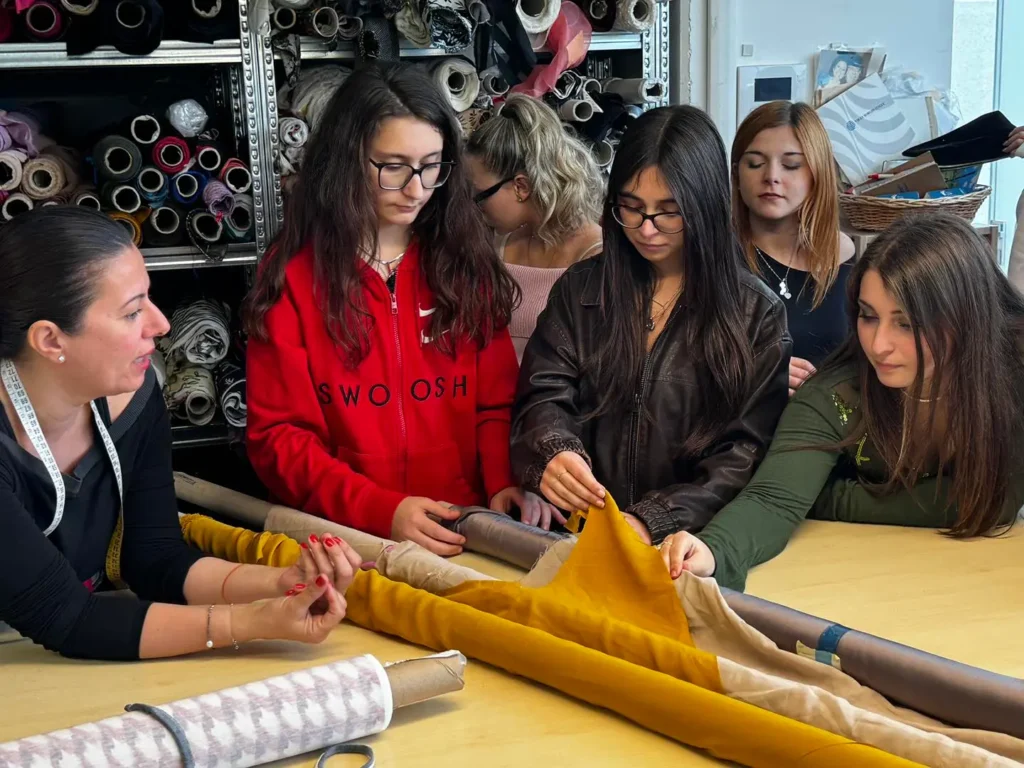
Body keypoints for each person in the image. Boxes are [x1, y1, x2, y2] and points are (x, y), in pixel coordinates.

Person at [0, 208, 363, 661]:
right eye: (133, 312)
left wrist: (279, 585)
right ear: (51, 340)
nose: (161, 325)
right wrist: (251, 623)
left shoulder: (133, 399)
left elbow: (155, 559)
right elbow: (68, 618)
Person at [245, 63, 560, 547]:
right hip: (347, 540)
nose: (416, 189)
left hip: (462, 529)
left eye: (431, 165)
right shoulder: (292, 275)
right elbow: (280, 439)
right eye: (393, 167)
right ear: (348, 158)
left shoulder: (463, 262)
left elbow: (495, 403)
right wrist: (380, 510)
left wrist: (502, 482)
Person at [660, 214, 1024, 590]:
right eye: (868, 316)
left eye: (906, 323)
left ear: (965, 316)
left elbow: (992, 502)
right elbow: (773, 500)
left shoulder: (1015, 370)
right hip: (875, 580)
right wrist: (713, 551)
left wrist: (830, 499)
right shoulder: (837, 392)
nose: (878, 345)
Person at [510, 105, 792, 547]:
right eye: (631, 208)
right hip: (578, 536)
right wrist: (554, 450)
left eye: (669, 211)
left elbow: (744, 452)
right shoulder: (582, 289)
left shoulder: (754, 312)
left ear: (707, 206)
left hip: (685, 547)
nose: (646, 229)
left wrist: (653, 519)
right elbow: (542, 394)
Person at [466, 94, 604, 364]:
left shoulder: (597, 258)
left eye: (480, 195)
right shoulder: (496, 242)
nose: (475, 206)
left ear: (521, 187)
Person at [732, 100, 856, 395]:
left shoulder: (843, 252)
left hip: (830, 429)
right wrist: (759, 373)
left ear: (817, 174)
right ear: (736, 174)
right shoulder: (717, 256)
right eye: (755, 163)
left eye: (791, 165)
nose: (771, 176)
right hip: (749, 432)